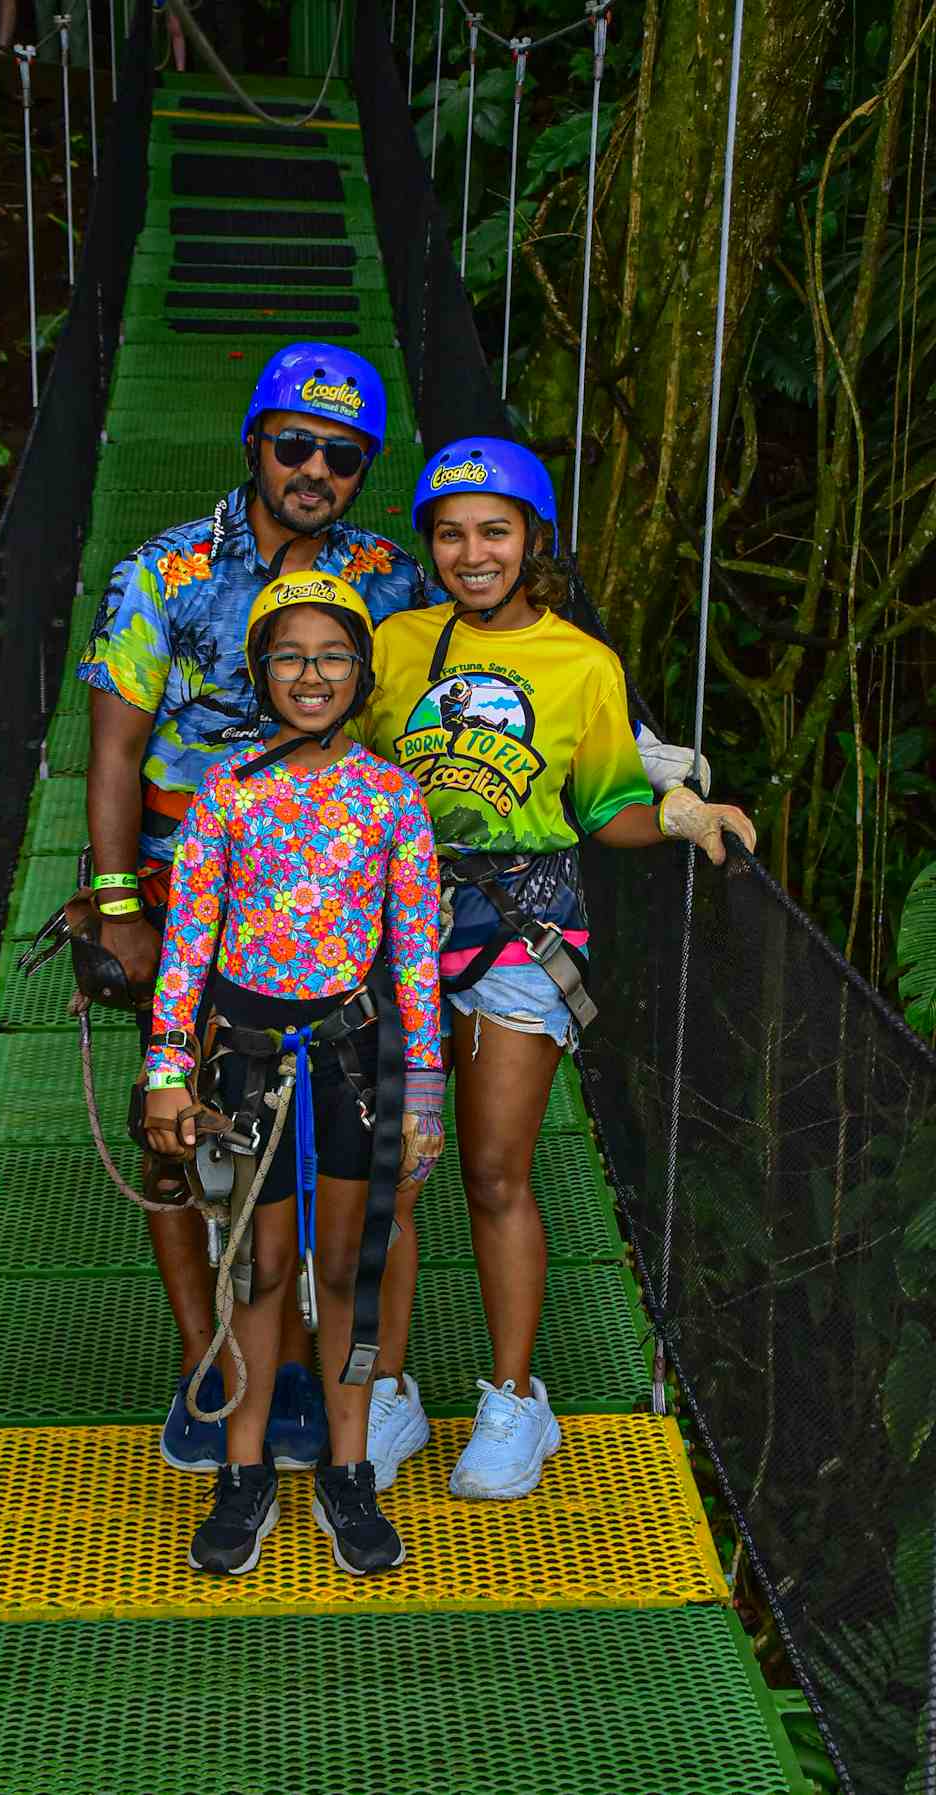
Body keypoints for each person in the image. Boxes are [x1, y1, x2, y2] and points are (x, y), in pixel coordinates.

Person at [358, 437, 757, 1500]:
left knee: (494, 1168)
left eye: (494, 531)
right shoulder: (394, 645)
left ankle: (514, 1399)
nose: (472, 553)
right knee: (390, 1173)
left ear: (531, 539)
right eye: (451, 534)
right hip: (399, 931)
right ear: (430, 546)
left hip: (521, 929)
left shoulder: (583, 663)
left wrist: (677, 815)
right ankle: (384, 1392)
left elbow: (607, 804)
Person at [75, 342, 431, 1477]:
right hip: (188, 888)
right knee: (179, 1133)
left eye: (343, 455)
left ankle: (314, 1369)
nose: (314, 470)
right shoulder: (165, 572)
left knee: (330, 1138)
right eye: (295, 445)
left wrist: (643, 767)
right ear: (253, 445)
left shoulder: (393, 579)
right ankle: (214, 1365)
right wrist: (119, 904)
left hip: (330, 903)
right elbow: (115, 751)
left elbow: (488, 671)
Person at [141, 573, 444, 1575]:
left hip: (353, 1060)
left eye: (333, 657)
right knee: (260, 1265)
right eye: (290, 657)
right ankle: (245, 1467)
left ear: (361, 673)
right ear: (261, 669)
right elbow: (188, 944)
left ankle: (348, 1470)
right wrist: (169, 1067)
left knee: (348, 1264)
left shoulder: (392, 795)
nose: (312, 676)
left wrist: (424, 1090)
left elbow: (414, 953)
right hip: (253, 1063)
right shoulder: (226, 793)